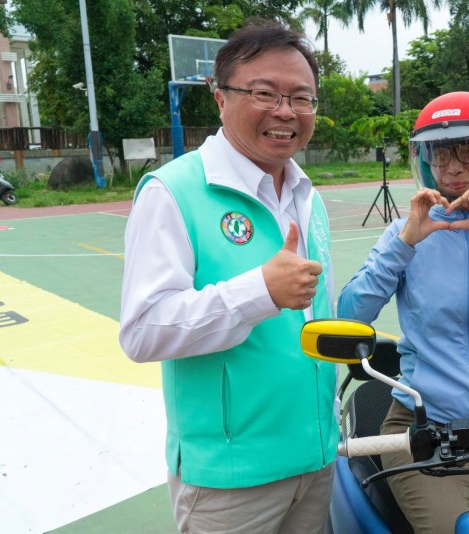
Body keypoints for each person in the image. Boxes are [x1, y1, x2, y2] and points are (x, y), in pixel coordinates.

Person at [119, 19, 338, 534]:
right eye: (265, 93)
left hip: (317, 457)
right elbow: (143, 330)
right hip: (230, 479)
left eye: (301, 98)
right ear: (220, 99)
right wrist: (259, 291)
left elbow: (314, 317)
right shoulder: (173, 192)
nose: (286, 112)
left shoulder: (308, 196)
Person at [336, 91, 469, 532]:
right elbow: (351, 313)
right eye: (439, 153)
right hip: (424, 422)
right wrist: (403, 245)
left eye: (468, 150)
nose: (453, 167)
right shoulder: (406, 232)